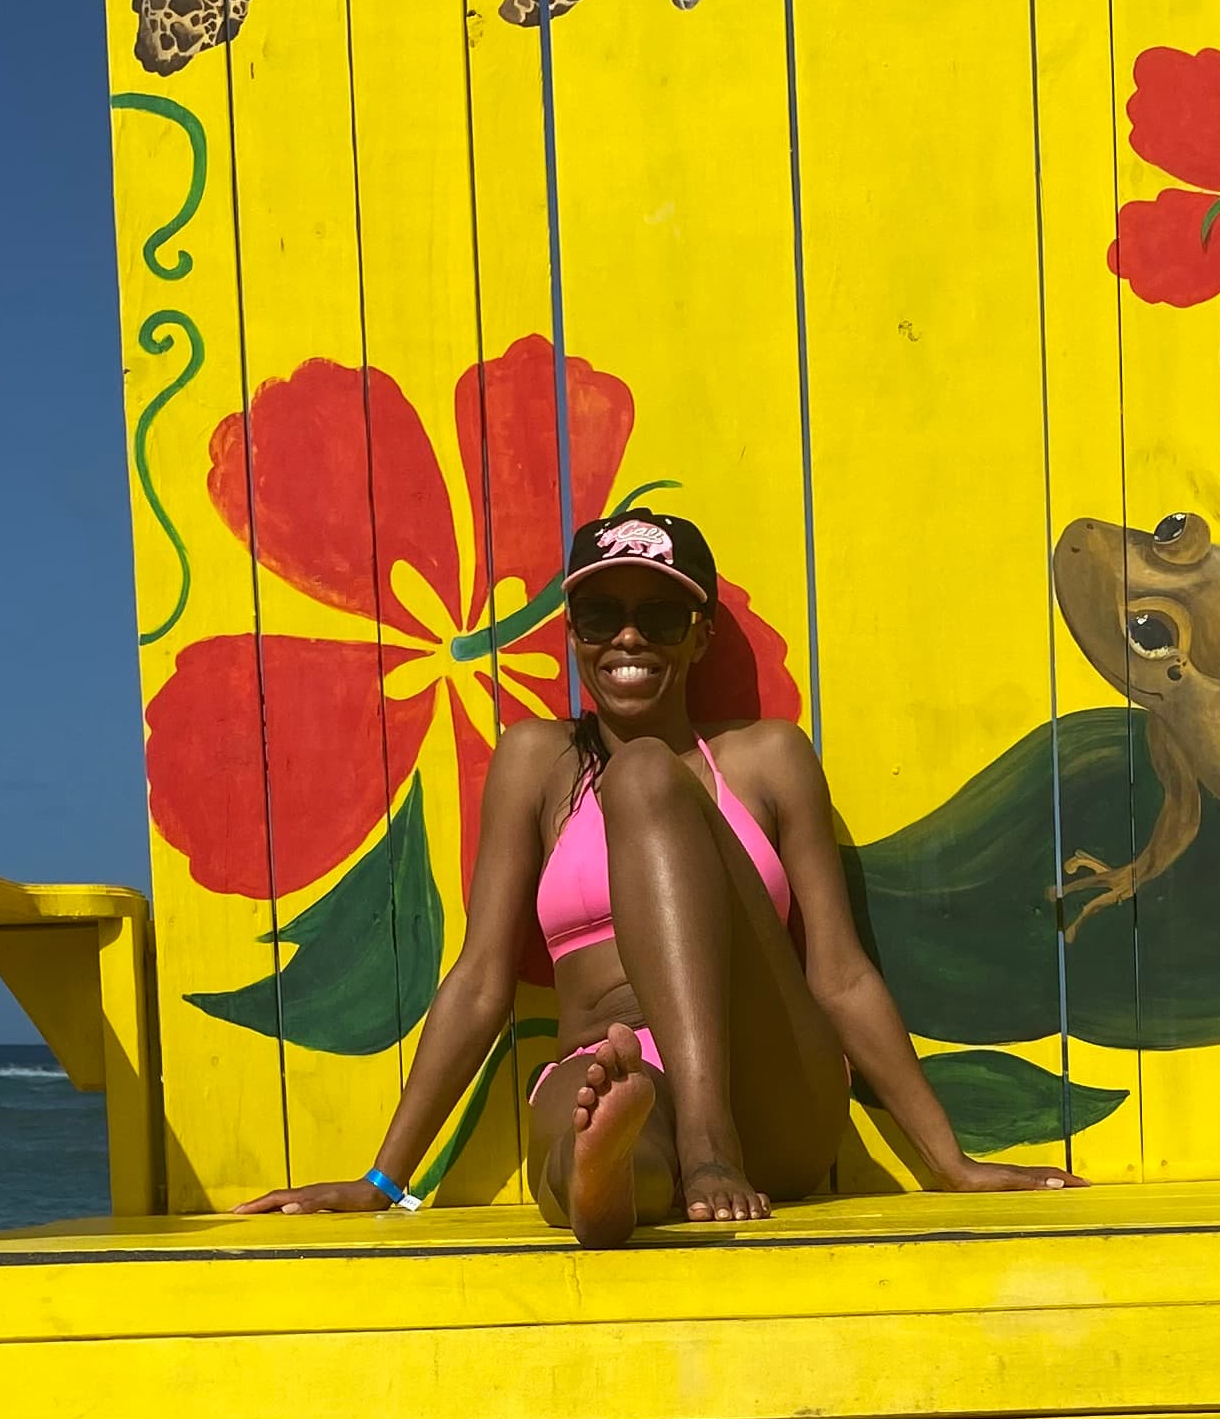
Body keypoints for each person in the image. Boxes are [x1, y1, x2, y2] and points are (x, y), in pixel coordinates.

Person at [249, 509, 1077, 1239]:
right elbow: (480, 979)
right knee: (593, 1125)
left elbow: (839, 973)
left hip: (769, 1093)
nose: (628, 638)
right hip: (613, 1058)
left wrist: (949, 1162)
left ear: (701, 633)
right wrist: (381, 1182)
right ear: (572, 633)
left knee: (646, 773)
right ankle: (610, 1179)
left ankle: (704, 1143)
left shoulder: (768, 758)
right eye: (601, 614)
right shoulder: (534, 762)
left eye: (662, 616)